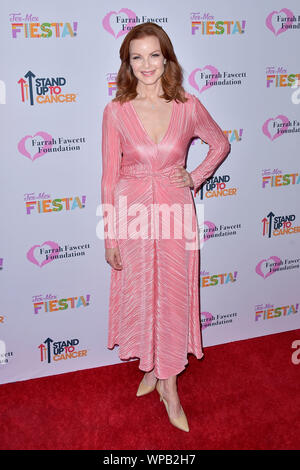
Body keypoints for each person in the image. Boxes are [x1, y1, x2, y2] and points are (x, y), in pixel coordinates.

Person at [101, 22, 230, 432]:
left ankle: (169, 384)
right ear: (127, 63)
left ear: (166, 57)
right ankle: (151, 368)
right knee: (142, 292)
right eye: (136, 57)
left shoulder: (187, 106)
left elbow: (220, 142)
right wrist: (110, 234)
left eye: (153, 55)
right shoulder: (116, 110)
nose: (146, 65)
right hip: (133, 212)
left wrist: (196, 175)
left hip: (176, 212)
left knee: (172, 295)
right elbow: (107, 176)